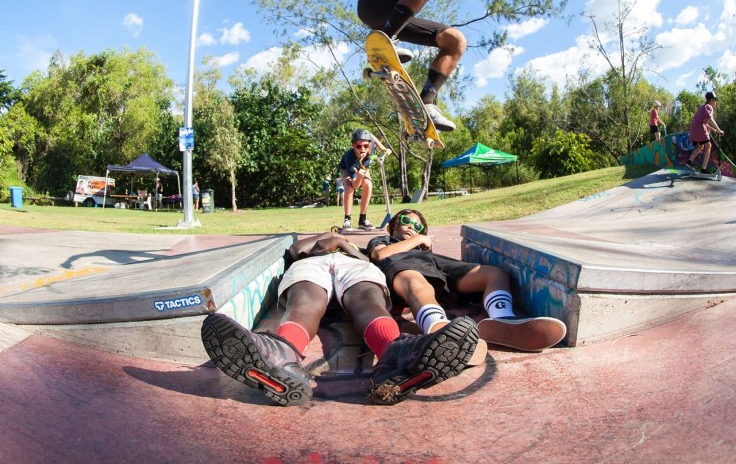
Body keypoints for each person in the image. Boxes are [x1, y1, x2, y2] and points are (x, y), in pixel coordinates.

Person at [201, 232, 479, 406]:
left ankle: (394, 355)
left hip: (354, 268)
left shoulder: (356, 250)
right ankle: (283, 354)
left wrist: (342, 243)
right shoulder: (314, 247)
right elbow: (298, 251)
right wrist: (328, 239)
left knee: (368, 299)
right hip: (312, 266)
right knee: (305, 301)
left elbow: (367, 259)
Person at [358, 0, 539, 132]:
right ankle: (386, 41)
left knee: (456, 41)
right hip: (372, 4)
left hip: (396, 19)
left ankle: (427, 103)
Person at [364, 209, 567, 353]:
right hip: (401, 270)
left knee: (495, 274)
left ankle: (503, 319)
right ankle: (438, 330)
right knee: (419, 283)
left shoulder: (423, 250)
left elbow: (439, 268)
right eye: (407, 222)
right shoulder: (384, 240)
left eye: (417, 227)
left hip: (435, 267)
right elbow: (380, 256)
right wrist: (416, 240)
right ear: (393, 226)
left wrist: (422, 246)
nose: (411, 228)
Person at [338, 128, 391, 230]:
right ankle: (347, 220)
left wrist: (383, 149)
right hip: (347, 168)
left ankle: (362, 220)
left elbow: (372, 136)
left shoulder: (371, 146)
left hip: (363, 168)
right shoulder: (351, 158)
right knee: (349, 188)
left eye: (366, 146)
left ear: (369, 144)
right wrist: (359, 177)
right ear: (353, 145)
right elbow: (355, 186)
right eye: (359, 146)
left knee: (368, 184)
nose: (363, 149)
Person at [685, 91, 725, 174]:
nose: (715, 102)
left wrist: (714, 130)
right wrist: (718, 129)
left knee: (699, 147)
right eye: (715, 100)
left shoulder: (702, 107)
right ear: (711, 100)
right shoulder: (709, 107)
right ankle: (703, 169)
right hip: (699, 128)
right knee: (708, 146)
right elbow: (710, 119)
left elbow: (703, 123)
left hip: (693, 129)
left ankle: (689, 162)